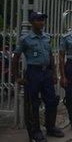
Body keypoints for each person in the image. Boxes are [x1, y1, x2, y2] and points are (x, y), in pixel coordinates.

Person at [12, 11, 65, 142]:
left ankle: (50, 127)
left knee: (51, 101)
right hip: (33, 73)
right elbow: (16, 57)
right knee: (33, 104)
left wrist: (54, 73)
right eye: (38, 20)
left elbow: (51, 56)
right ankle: (35, 132)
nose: (41, 22)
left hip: (46, 72)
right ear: (31, 22)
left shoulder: (47, 37)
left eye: (42, 20)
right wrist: (17, 77)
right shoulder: (25, 39)